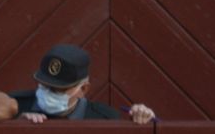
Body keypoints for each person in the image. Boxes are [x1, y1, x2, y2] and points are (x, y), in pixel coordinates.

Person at [11, 43, 155, 124]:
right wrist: (14, 126)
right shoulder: (17, 105)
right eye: (43, 85)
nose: (47, 92)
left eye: (58, 89)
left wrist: (143, 120)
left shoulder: (105, 119)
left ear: (83, 89)